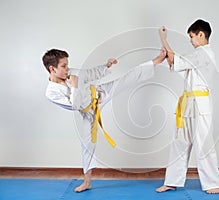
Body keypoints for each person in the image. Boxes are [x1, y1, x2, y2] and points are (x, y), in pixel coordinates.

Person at [42, 48, 166, 192]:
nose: (67, 69)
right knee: (87, 146)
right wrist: (75, 86)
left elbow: (90, 74)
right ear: (52, 68)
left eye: (67, 65)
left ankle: (157, 60)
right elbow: (74, 106)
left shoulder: (71, 73)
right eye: (63, 66)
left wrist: (106, 66)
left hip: (100, 93)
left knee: (127, 77)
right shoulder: (51, 92)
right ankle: (87, 182)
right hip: (88, 112)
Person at [156, 19, 219, 194]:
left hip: (200, 105)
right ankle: (172, 181)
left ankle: (214, 183)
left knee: (203, 144)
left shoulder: (204, 53)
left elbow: (175, 59)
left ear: (201, 34)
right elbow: (175, 62)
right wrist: (168, 55)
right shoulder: (197, 55)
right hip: (188, 104)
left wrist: (164, 39)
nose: (191, 41)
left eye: (192, 37)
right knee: (179, 142)